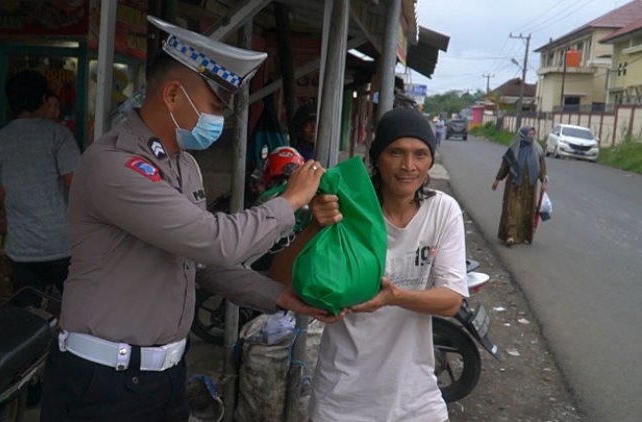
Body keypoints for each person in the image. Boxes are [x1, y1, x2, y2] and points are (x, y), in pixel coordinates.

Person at [40, 16, 340, 421]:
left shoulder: (184, 167)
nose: (221, 118)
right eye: (216, 105)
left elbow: (199, 264)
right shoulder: (114, 166)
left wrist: (281, 297)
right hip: (102, 383)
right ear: (173, 95)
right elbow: (215, 240)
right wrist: (290, 200)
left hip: (163, 378)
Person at [271, 107, 468, 421]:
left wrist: (395, 297)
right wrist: (314, 228)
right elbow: (279, 277)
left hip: (416, 400)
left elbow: (452, 300)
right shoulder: (346, 207)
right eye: (396, 153)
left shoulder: (442, 211)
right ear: (377, 158)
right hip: (342, 400)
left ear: (431, 160)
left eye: (420, 154)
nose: (408, 166)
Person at [0, 70, 81, 297]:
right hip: (61, 244)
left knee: (28, 319)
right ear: (42, 100)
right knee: (73, 313)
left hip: (22, 248)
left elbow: (1, 195)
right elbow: (77, 186)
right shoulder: (58, 135)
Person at [491, 125, 548, 246]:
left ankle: (523, 236)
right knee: (512, 209)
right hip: (514, 186)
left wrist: (544, 182)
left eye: (533, 134)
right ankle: (511, 235)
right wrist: (497, 180)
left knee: (527, 210)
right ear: (522, 135)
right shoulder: (513, 149)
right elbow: (505, 166)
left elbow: (542, 168)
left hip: (530, 187)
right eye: (529, 134)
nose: (532, 137)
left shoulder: (537, 149)